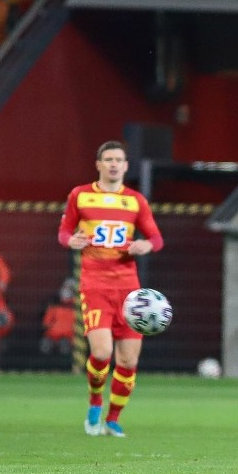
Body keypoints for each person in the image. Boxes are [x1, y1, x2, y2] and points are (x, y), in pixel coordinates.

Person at [58, 140, 164, 438]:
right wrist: (71, 241)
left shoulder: (135, 201)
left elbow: (156, 238)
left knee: (128, 360)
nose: (114, 164)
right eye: (108, 159)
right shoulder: (80, 196)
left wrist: (145, 245)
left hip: (129, 289)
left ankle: (114, 418)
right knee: (102, 352)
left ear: (126, 165)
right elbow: (65, 231)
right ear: (99, 164)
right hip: (94, 283)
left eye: (119, 159)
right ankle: (94, 403)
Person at [40, 277, 78, 355]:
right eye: (65, 287)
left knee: (64, 346)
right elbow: (46, 323)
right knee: (45, 345)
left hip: (68, 339)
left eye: (70, 288)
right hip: (52, 337)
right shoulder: (53, 306)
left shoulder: (78, 309)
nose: (66, 291)